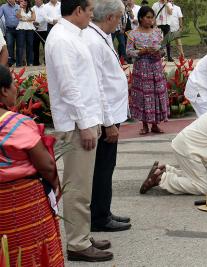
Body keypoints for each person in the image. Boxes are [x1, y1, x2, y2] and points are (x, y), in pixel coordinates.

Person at [45, 0, 113, 262]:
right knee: (77, 186)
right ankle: (76, 243)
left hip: (85, 120)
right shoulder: (62, 39)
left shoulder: (75, 36)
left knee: (85, 184)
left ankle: (81, 234)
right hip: (76, 125)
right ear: (77, 11)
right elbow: (69, 86)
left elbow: (88, 81)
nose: (91, 17)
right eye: (90, 12)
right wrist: (85, 125)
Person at [0, 65, 64, 266]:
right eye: (13, 85)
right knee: (32, 252)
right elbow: (45, 164)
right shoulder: (16, 124)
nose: (16, 89)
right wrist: (55, 184)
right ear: (3, 90)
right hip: (23, 201)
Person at [82, 0, 132, 233]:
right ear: (110, 17)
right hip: (105, 117)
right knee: (102, 167)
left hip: (111, 113)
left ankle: (104, 210)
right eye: (119, 17)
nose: (120, 22)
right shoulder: (93, 40)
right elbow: (98, 85)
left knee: (107, 165)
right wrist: (109, 122)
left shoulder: (100, 35)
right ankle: (99, 217)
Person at [126, 6, 169, 135]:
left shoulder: (157, 32)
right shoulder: (133, 34)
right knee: (144, 94)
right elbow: (128, 52)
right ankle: (144, 125)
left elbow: (164, 51)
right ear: (141, 18)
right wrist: (141, 51)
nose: (151, 20)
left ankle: (155, 124)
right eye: (148, 17)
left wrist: (159, 52)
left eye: (152, 17)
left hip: (156, 67)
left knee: (156, 94)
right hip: (142, 68)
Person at [0, 0, 20, 67]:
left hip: (19, 29)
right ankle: (10, 63)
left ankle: (18, 63)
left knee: (19, 46)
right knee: (9, 46)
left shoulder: (19, 6)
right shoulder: (3, 7)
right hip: (9, 29)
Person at [15, 0, 34, 67]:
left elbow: (34, 18)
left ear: (28, 2)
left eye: (26, 1)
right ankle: (19, 63)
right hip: (21, 28)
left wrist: (24, 19)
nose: (24, 2)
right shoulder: (19, 9)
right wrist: (20, 8)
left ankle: (30, 62)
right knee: (20, 46)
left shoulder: (31, 9)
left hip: (30, 29)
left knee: (30, 46)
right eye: (23, 1)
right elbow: (17, 16)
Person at [31, 0, 48, 66]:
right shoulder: (32, 8)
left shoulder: (46, 7)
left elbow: (46, 18)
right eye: (35, 0)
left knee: (46, 47)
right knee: (35, 48)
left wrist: (39, 23)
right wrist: (33, 23)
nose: (36, 1)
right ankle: (36, 63)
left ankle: (46, 62)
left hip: (44, 30)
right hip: (35, 31)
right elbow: (30, 18)